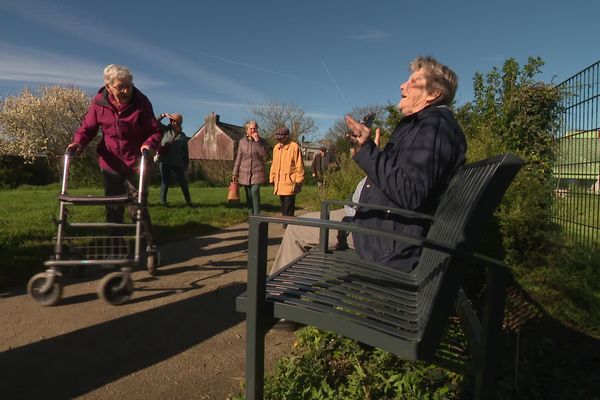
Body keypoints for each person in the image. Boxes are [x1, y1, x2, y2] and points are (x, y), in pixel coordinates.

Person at [271, 56, 467, 273]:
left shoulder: (434, 129)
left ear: (433, 94)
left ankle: (268, 304)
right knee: (302, 224)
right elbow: (403, 180)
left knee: (297, 228)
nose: (403, 85)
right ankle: (278, 298)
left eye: (413, 81)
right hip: (381, 227)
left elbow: (410, 193)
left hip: (386, 241)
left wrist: (369, 151)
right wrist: (369, 150)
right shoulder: (425, 127)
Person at [67, 64, 162, 237]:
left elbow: (154, 131)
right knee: (113, 207)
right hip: (111, 162)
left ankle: (146, 245)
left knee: (137, 206)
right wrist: (77, 143)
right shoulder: (99, 102)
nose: (126, 91)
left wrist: (148, 145)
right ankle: (115, 245)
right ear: (109, 86)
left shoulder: (141, 102)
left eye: (129, 85)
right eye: (121, 87)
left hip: (137, 161)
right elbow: (88, 128)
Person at [156, 112, 192, 207]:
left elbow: (185, 153)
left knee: (183, 183)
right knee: (165, 182)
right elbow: (154, 122)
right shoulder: (166, 130)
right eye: (171, 120)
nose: (171, 121)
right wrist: (162, 115)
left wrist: (186, 165)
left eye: (173, 120)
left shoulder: (183, 136)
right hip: (165, 162)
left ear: (178, 122)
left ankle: (189, 202)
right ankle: (163, 203)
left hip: (177, 163)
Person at [232, 120, 268, 215]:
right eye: (251, 128)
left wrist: (257, 142)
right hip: (244, 173)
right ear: (247, 130)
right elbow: (238, 158)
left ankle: (257, 216)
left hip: (257, 172)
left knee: (255, 191)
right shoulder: (242, 142)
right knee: (248, 196)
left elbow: (263, 154)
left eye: (255, 128)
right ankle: (250, 216)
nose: (253, 130)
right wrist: (235, 173)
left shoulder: (262, 141)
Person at [269, 126, 305, 218]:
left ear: (286, 137)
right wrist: (272, 177)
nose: (279, 141)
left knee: (289, 205)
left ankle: (288, 224)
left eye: (281, 139)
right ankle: (286, 222)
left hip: (290, 181)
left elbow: (299, 165)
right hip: (279, 181)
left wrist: (299, 180)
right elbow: (274, 164)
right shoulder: (276, 148)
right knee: (283, 204)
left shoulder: (294, 147)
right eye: (278, 139)